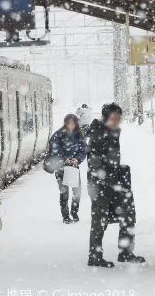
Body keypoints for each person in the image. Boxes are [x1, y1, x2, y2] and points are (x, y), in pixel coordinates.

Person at [86, 103, 145, 268]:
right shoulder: (98, 134)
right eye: (115, 118)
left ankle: (125, 252)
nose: (118, 121)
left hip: (114, 183)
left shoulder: (112, 131)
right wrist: (110, 179)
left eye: (119, 118)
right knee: (100, 219)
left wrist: (119, 173)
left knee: (128, 215)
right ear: (107, 118)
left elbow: (110, 161)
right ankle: (95, 256)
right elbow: (95, 163)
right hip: (100, 185)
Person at [48, 114, 86, 224]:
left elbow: (83, 150)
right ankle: (65, 216)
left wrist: (77, 159)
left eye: (73, 123)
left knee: (77, 191)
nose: (71, 125)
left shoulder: (79, 134)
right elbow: (54, 149)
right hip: (60, 167)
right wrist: (65, 159)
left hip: (73, 167)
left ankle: (74, 212)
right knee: (64, 192)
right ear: (65, 123)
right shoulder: (58, 134)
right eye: (69, 123)